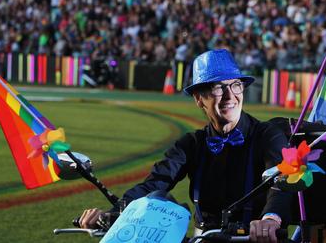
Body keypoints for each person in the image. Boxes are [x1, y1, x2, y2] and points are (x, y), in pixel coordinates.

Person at [79, 49, 291, 243]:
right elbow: (156, 183)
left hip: (257, 240)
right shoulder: (191, 143)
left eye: (235, 85)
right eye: (218, 87)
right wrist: (113, 213)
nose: (230, 96)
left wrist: (270, 219)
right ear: (199, 99)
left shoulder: (267, 134)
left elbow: (282, 180)